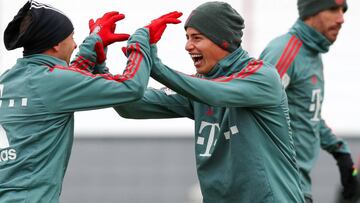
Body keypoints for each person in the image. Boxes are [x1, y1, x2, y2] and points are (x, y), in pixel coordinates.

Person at [114, 2, 305, 202]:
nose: (188, 46)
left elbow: (215, 93)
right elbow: (129, 105)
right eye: (187, 38)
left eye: (197, 38)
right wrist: (103, 66)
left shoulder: (262, 77)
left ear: (222, 41)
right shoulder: (198, 86)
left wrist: (156, 67)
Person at [0, 0, 165, 201]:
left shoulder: (9, 78)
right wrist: (140, 43)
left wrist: (91, 47)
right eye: (73, 37)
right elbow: (132, 87)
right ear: (56, 44)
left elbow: (62, 82)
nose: (75, 44)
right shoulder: (51, 82)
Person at [259, 0, 359, 202]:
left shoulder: (312, 54)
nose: (341, 19)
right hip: (277, 188)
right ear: (311, 12)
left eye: (343, 10)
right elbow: (253, 109)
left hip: (298, 186)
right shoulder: (286, 50)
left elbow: (306, 114)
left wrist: (341, 153)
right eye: (333, 9)